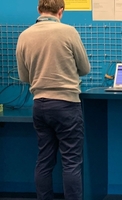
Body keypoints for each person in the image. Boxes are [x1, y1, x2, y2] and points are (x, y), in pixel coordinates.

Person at [16, 0, 90, 199]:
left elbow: (24, 77)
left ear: (39, 10)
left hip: (39, 105)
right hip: (66, 105)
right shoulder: (68, 32)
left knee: (44, 160)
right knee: (71, 161)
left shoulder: (24, 36)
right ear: (61, 11)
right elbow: (84, 69)